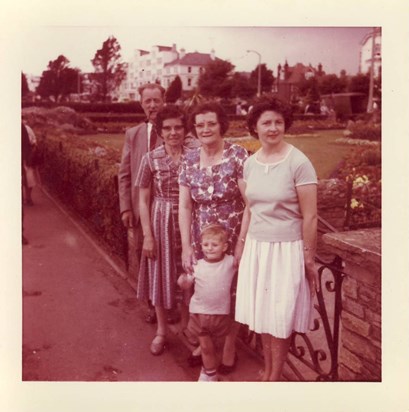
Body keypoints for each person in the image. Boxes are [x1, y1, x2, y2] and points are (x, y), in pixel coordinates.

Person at [234, 98, 319, 381]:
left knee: (279, 316)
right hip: (258, 248)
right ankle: (268, 369)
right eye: (266, 123)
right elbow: (250, 208)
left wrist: (308, 258)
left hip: (286, 249)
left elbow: (310, 217)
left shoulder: (299, 162)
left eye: (278, 122)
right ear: (254, 127)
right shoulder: (249, 164)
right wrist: (242, 245)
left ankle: (274, 376)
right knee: (264, 315)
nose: (273, 128)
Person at [178, 102, 248, 372]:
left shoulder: (238, 155)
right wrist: (186, 247)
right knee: (205, 289)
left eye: (211, 123)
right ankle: (203, 342)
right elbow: (184, 205)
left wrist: (241, 242)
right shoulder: (189, 159)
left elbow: (250, 201)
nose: (205, 129)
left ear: (221, 125)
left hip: (233, 234)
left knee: (232, 290)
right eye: (199, 124)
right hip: (201, 237)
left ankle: (230, 343)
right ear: (194, 129)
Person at [118, 83, 178, 325]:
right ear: (141, 103)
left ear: (164, 100)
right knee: (149, 257)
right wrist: (125, 207)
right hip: (142, 210)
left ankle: (174, 306)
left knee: (173, 259)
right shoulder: (133, 134)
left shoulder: (176, 130)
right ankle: (156, 307)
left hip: (170, 211)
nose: (152, 105)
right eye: (147, 101)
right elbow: (124, 173)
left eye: (156, 100)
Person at [136, 105, 190, 355]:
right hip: (161, 221)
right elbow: (143, 199)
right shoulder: (150, 158)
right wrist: (147, 235)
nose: (173, 132)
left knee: (189, 276)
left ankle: (187, 328)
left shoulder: (196, 154)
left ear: (185, 129)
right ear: (159, 131)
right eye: (167, 128)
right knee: (160, 275)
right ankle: (161, 331)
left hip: (191, 220)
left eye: (178, 127)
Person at [178, 224, 235, 381]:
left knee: (215, 346)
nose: (209, 248)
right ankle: (208, 374)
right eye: (206, 245)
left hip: (220, 314)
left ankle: (208, 371)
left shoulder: (230, 262)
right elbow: (185, 284)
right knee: (205, 346)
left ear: (225, 247)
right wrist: (183, 280)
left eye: (214, 245)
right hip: (200, 314)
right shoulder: (198, 265)